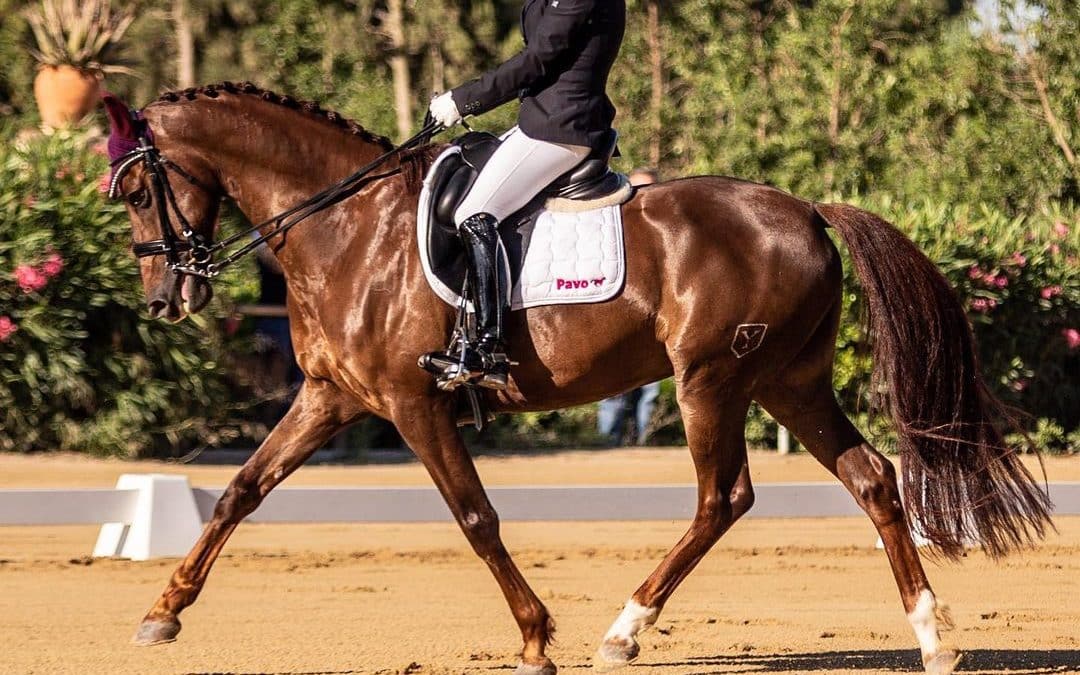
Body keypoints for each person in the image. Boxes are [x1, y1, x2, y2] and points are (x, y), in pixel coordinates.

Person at [424, 0, 627, 390]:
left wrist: (463, 100)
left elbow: (537, 59)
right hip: (541, 119)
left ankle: (489, 348)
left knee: (476, 214)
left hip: (562, 127)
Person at [597, 167, 660, 445]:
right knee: (613, 393)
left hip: (656, 333)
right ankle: (606, 444)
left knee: (649, 394)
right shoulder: (609, 232)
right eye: (636, 190)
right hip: (618, 328)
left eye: (650, 189)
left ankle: (641, 444)